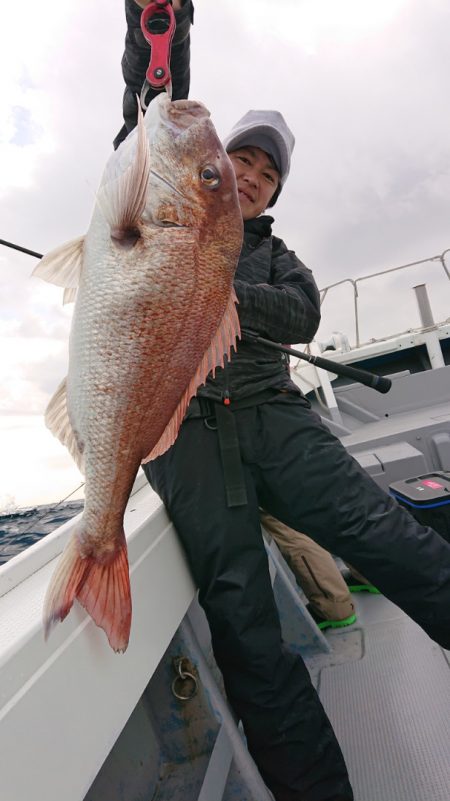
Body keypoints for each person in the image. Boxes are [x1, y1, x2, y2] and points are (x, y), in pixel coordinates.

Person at [115, 4, 450, 800]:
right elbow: (151, 119)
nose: (254, 175)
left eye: (268, 172)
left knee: (390, 537)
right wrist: (160, 36)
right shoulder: (164, 209)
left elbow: (300, 314)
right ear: (217, 165)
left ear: (271, 193)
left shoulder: (278, 257)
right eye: (242, 159)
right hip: (186, 440)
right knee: (246, 629)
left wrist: (213, 277)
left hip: (275, 417)